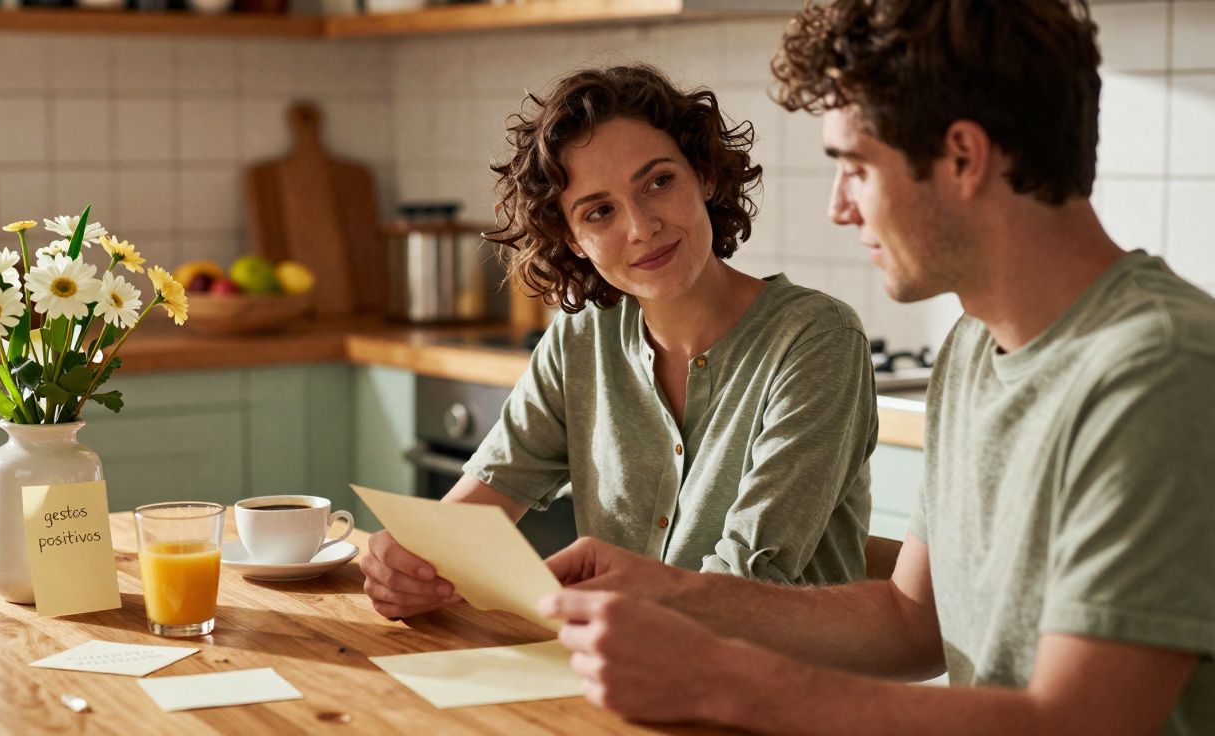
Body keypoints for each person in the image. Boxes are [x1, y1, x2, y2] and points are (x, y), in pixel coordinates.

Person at [537, 1, 1215, 734]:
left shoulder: (1159, 370)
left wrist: (728, 678)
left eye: (854, 167)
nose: (839, 208)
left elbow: (1083, 723)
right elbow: (912, 619)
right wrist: (668, 593)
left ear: (963, 156)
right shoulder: (973, 347)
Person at [360, 65, 880, 620]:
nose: (640, 227)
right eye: (600, 211)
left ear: (703, 175)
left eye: (659, 182)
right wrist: (409, 565)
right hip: (627, 673)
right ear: (573, 240)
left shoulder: (815, 339)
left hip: (784, 688)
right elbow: (471, 514)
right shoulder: (580, 340)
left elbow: (752, 575)